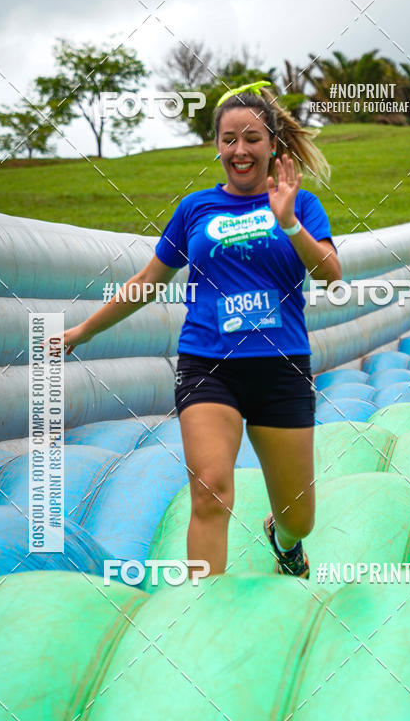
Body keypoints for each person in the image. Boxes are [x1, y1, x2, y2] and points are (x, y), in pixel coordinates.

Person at [57, 81, 341, 579]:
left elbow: (331, 276)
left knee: (302, 517)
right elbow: (148, 282)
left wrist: (290, 222)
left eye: (252, 138)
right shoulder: (194, 210)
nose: (240, 149)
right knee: (210, 488)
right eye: (229, 139)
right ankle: (199, 620)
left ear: (273, 145)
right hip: (208, 365)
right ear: (217, 146)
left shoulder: (300, 204)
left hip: (282, 366)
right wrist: (82, 331)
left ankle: (283, 537)